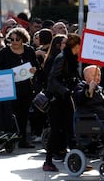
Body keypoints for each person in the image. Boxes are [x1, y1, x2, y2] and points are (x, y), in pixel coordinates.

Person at [0, 27, 40, 149]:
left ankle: (23, 139)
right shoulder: (4, 52)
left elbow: (36, 65)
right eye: (11, 39)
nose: (14, 41)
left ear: (23, 39)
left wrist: (34, 69)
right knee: (10, 113)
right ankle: (10, 139)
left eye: (17, 39)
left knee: (24, 115)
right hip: (9, 87)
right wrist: (7, 73)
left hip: (26, 87)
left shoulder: (29, 50)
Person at [43, 33, 81, 172]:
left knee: (70, 130)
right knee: (55, 130)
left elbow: (73, 77)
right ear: (75, 46)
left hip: (65, 100)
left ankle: (76, 160)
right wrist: (64, 90)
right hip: (57, 100)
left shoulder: (71, 58)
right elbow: (52, 79)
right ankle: (48, 161)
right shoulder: (62, 58)